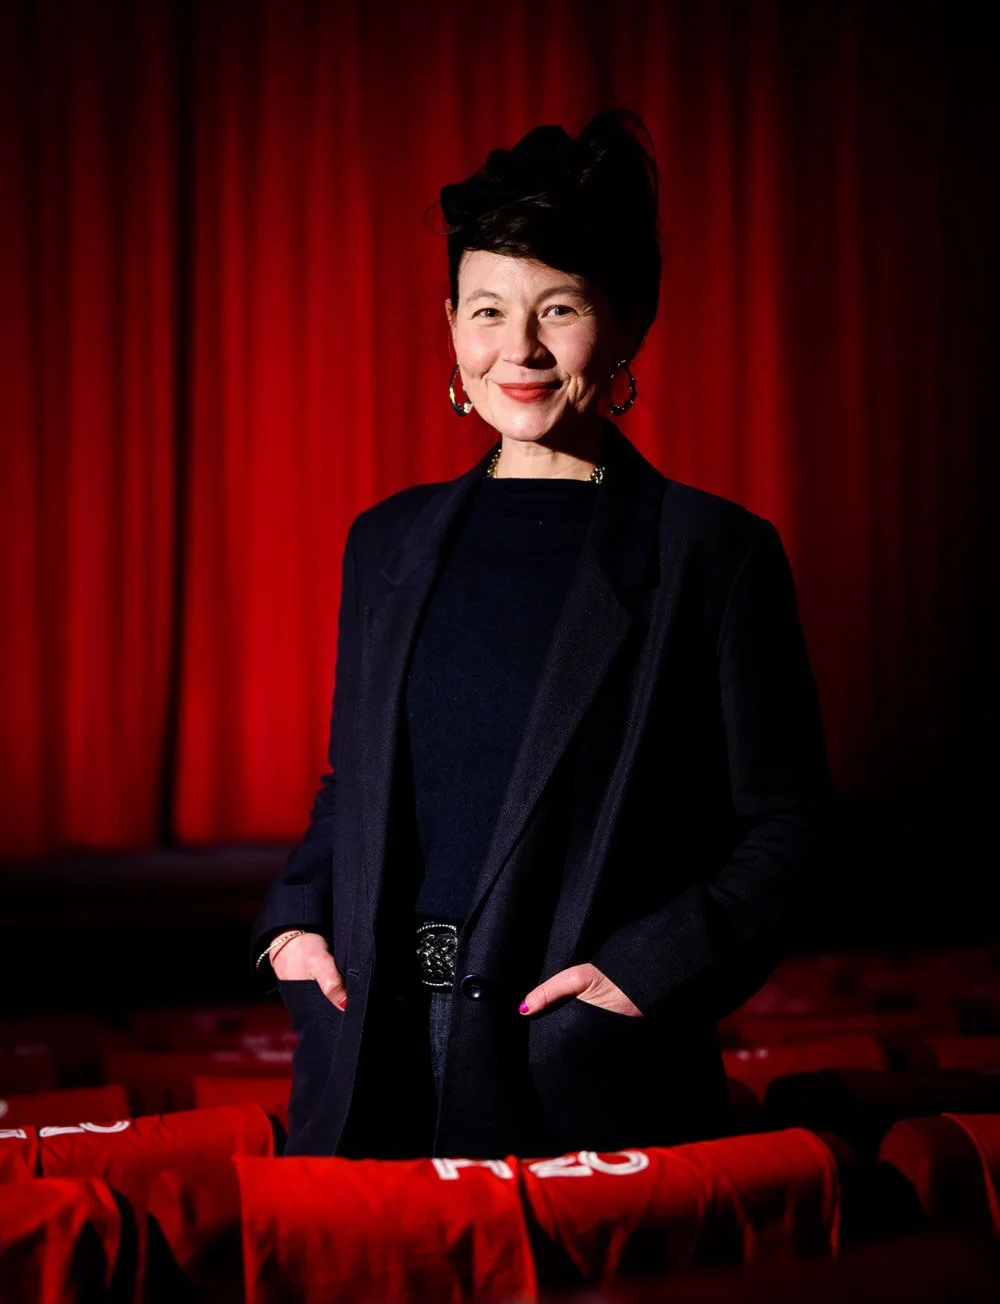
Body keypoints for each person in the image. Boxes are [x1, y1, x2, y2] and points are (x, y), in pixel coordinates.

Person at [251, 110, 833, 1161]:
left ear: (622, 327)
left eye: (556, 309)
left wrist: (642, 977)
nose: (515, 350)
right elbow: (356, 782)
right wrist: (294, 932)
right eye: (485, 310)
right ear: (450, 325)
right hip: (366, 1055)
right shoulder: (383, 543)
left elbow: (785, 831)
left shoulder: (712, 553)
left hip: (574, 1070)